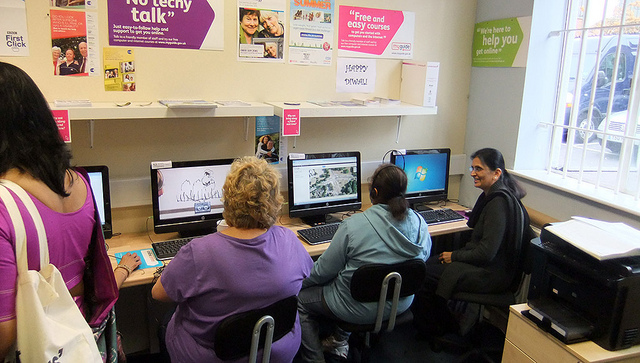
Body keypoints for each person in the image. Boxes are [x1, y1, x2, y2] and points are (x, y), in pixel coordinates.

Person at [0, 62, 142, 362]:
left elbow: (5, 332)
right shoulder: (79, 182)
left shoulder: (4, 204)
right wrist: (124, 269)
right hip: (84, 341)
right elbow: (92, 281)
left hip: (40, 348)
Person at [152, 156, 313, 362]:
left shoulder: (199, 252)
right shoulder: (289, 240)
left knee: (167, 321)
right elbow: (306, 276)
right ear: (274, 201)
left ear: (228, 199)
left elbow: (159, 294)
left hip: (213, 356)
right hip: (276, 350)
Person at [296, 164, 431, 362]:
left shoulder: (353, 226)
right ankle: (339, 340)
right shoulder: (420, 223)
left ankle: (315, 358)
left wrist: (298, 284)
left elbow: (324, 271)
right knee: (348, 277)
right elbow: (423, 258)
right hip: (399, 303)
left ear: (374, 192)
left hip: (354, 307)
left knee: (300, 299)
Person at [411, 147, 529, 337]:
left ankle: (439, 329)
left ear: (497, 173)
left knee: (423, 273)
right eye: (472, 168)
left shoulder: (498, 204)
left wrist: (454, 256)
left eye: (479, 169)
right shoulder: (498, 196)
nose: (473, 173)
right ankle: (441, 322)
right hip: (492, 267)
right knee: (429, 264)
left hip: (492, 275)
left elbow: (486, 252)